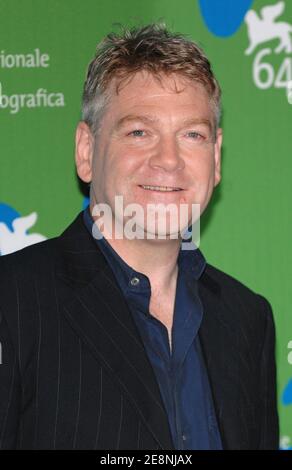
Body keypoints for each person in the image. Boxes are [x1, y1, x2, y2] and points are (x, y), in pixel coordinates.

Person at [0, 24, 278, 450]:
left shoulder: (247, 319)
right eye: (139, 132)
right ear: (86, 152)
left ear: (216, 158)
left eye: (192, 135)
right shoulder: (12, 300)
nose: (168, 160)